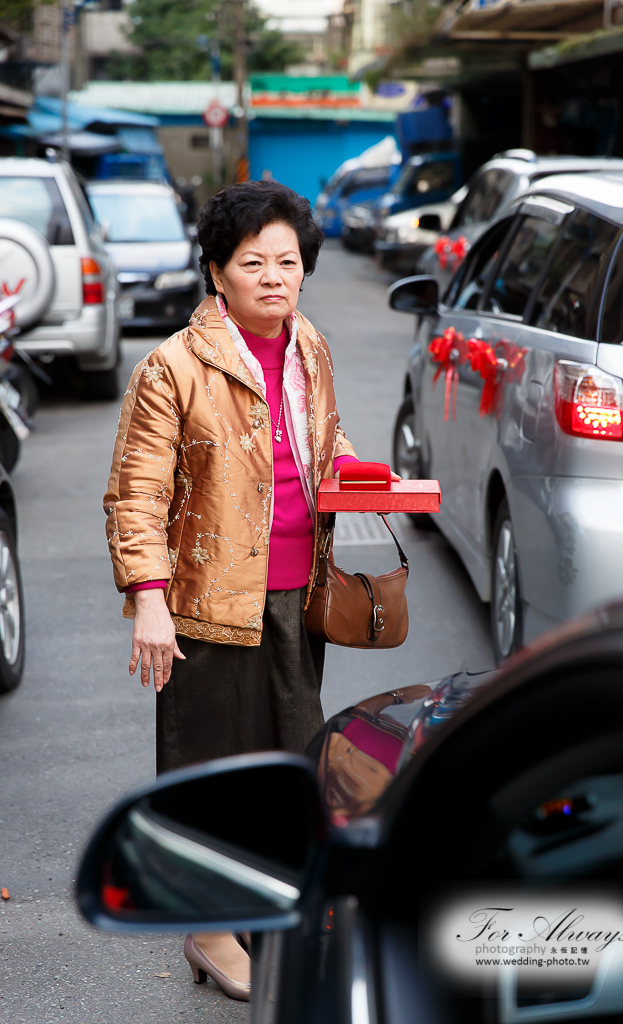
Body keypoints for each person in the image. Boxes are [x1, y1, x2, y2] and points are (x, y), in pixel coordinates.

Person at [103, 180, 379, 1001]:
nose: (273, 276)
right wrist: (149, 599)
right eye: (252, 261)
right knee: (212, 769)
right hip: (208, 606)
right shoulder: (173, 367)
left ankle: (274, 908)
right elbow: (136, 494)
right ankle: (208, 930)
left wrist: (367, 479)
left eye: (288, 261)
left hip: (300, 595)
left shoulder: (311, 347)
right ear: (216, 272)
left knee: (295, 764)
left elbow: (323, 444)